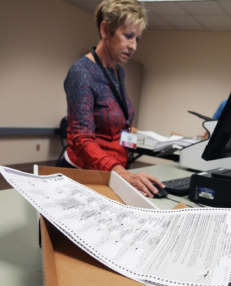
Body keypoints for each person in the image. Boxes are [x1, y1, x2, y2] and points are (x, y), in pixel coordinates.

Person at [62, 0, 164, 197]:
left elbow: (117, 124)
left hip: (110, 173)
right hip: (84, 174)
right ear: (105, 29)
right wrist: (121, 173)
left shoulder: (118, 71)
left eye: (137, 39)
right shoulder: (81, 72)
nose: (133, 46)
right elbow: (81, 139)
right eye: (128, 36)